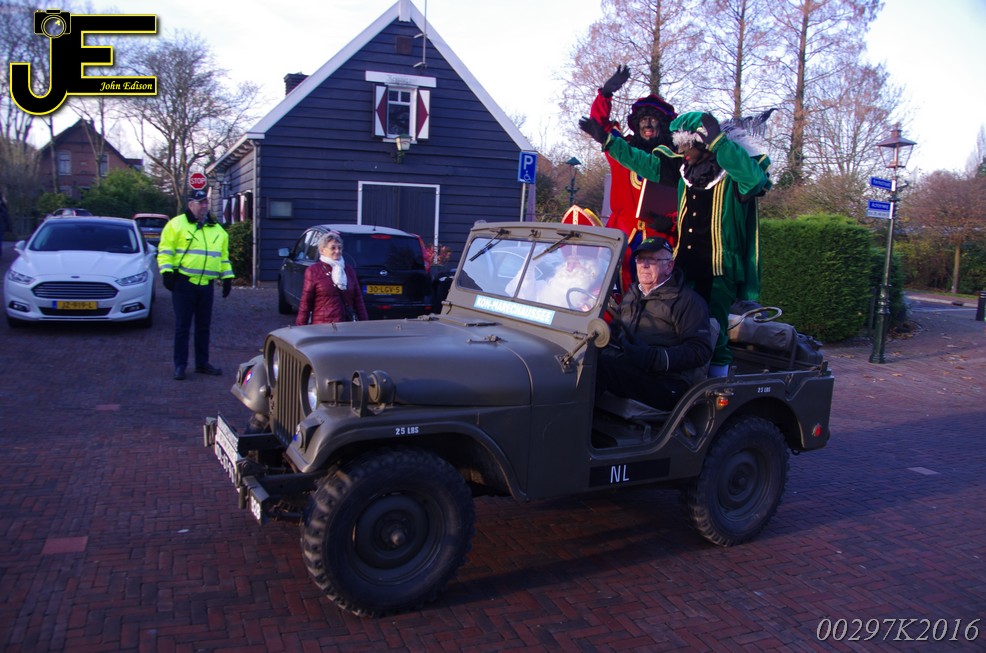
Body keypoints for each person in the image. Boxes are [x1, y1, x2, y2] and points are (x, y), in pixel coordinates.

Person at [581, 110, 771, 377]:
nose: (682, 152)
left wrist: (719, 141)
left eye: (686, 146)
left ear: (704, 144)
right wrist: (609, 141)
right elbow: (643, 163)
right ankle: (672, 378)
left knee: (714, 329)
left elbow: (754, 180)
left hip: (718, 268)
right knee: (674, 323)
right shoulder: (685, 171)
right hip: (684, 264)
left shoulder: (733, 175)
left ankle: (715, 389)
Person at [585, 65, 679, 290]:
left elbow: (687, 200)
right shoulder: (621, 149)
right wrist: (605, 94)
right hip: (622, 237)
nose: (648, 124)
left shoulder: (674, 159)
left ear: (663, 124)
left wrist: (672, 223)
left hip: (659, 236)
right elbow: (599, 126)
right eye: (643, 119)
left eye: (653, 119)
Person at [596, 237, 713, 410]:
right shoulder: (633, 293)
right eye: (640, 259)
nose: (644, 265)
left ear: (669, 266)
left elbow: (700, 350)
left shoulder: (688, 301)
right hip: (631, 368)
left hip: (667, 382)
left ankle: (574, 424)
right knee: (580, 359)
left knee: (599, 367)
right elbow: (614, 331)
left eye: (651, 260)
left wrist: (654, 357)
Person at [157, 189, 234, 380]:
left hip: (206, 286)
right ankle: (180, 365)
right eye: (200, 203)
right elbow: (165, 250)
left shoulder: (218, 230)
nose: (204, 206)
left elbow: (223, 257)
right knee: (182, 326)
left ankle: (202, 363)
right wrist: (167, 273)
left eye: (206, 202)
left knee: (203, 327)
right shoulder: (176, 224)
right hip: (184, 283)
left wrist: (227, 278)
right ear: (191, 204)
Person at [296, 231, 368, 325]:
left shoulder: (349, 270)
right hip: (323, 327)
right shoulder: (313, 271)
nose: (337, 251)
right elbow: (306, 303)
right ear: (322, 250)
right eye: (333, 248)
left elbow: (358, 300)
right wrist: (300, 327)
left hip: (347, 325)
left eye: (339, 248)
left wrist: (365, 324)